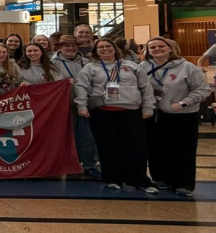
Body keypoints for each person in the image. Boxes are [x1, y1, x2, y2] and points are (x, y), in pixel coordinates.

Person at [75, 38, 155, 192]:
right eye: (101, 47)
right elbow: (81, 87)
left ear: (114, 48)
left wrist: (148, 107)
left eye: (108, 46)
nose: (105, 49)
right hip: (103, 113)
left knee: (136, 147)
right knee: (108, 147)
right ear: (96, 51)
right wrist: (82, 105)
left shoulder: (131, 65)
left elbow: (145, 87)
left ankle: (139, 180)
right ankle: (113, 178)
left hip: (130, 111)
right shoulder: (90, 67)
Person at [143, 37, 208, 197]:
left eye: (161, 46)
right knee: (156, 148)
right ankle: (161, 178)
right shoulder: (143, 67)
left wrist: (182, 103)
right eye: (152, 47)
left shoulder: (187, 67)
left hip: (183, 115)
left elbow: (202, 90)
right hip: (154, 114)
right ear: (148, 51)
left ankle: (184, 183)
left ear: (170, 48)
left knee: (183, 150)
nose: (157, 49)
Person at [53, 34, 99, 175]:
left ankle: (89, 165)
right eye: (67, 45)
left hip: (86, 104)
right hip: (63, 106)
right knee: (67, 137)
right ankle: (69, 165)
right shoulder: (52, 63)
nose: (70, 48)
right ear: (60, 47)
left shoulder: (87, 63)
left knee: (88, 136)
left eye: (73, 45)